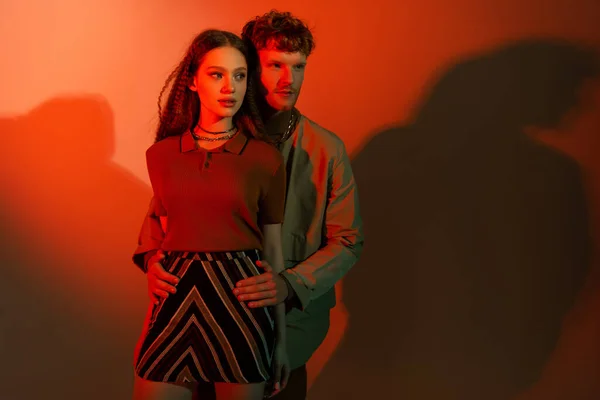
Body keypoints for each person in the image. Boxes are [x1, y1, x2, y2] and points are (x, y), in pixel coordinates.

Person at [145, 11, 364, 400]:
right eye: (275, 65)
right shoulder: (212, 134)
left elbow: (348, 240)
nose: (289, 79)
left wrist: (288, 284)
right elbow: (165, 206)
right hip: (204, 312)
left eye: (299, 67)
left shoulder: (326, 149)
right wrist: (151, 258)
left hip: (290, 325)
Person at [131, 29, 289, 400]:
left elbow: (274, 253)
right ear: (192, 81)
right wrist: (146, 331)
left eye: (239, 76)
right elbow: (164, 242)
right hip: (176, 298)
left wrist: (280, 342)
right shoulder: (161, 156)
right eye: (217, 74)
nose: (229, 87)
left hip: (241, 301)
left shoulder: (265, 158)